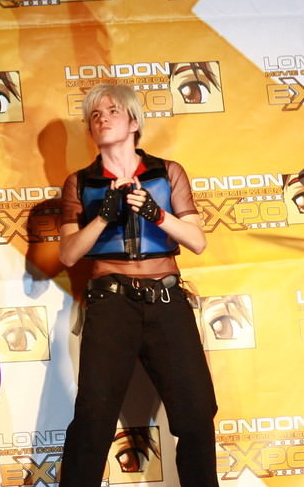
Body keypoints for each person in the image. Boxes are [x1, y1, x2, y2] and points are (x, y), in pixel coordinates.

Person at [57, 83, 217, 487]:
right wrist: (102, 217)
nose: (102, 119)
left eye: (112, 111)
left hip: (166, 299)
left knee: (197, 413)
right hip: (111, 303)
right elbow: (69, 255)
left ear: (133, 122)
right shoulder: (80, 183)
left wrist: (155, 213)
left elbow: (197, 241)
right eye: (94, 115)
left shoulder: (167, 172)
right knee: (93, 417)